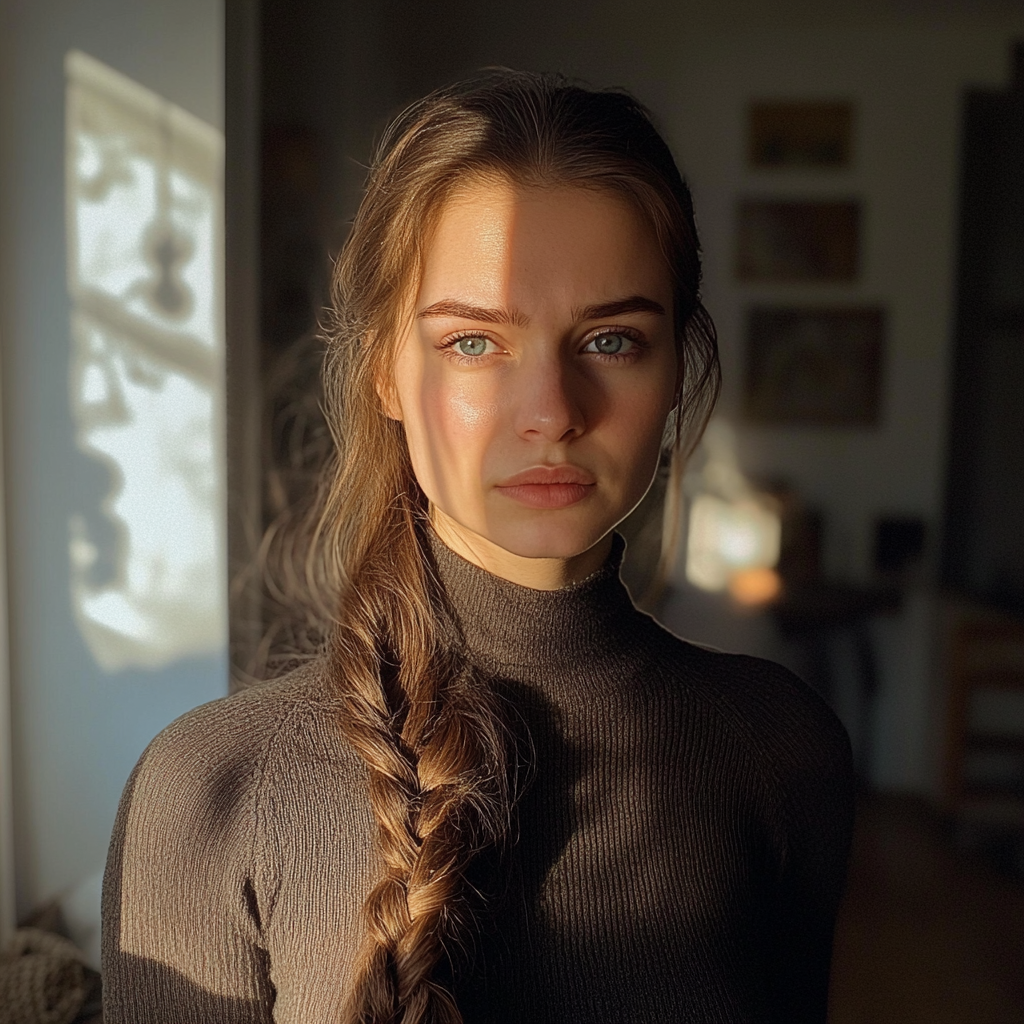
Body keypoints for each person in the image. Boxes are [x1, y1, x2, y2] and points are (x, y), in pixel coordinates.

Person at [102, 71, 856, 1024]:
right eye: (473, 343)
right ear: (385, 371)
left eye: (613, 340)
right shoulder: (210, 791)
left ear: (677, 375)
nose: (551, 413)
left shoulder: (784, 750)